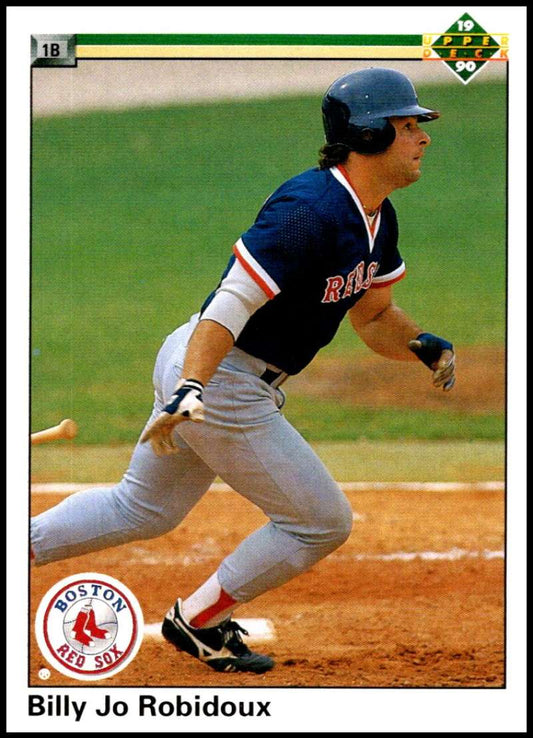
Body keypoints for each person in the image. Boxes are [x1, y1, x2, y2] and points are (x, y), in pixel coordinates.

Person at [31, 67, 456, 674]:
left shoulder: (377, 218)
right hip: (217, 374)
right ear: (367, 134)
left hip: (209, 370)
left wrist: (420, 344)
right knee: (320, 522)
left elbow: (374, 315)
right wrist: (192, 389)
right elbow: (228, 305)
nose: (423, 138)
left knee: (143, 509)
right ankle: (198, 620)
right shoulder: (307, 210)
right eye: (409, 125)